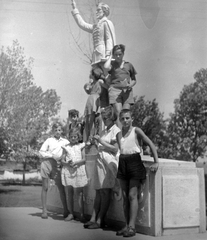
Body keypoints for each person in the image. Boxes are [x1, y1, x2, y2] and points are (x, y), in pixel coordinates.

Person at [116, 109, 159, 237]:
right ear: (120, 120)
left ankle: (132, 227)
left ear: (132, 119)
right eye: (122, 118)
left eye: (127, 118)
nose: (125, 121)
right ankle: (126, 225)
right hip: (123, 162)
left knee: (132, 195)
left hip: (135, 162)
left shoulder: (136, 130)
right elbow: (121, 150)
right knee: (124, 197)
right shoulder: (118, 134)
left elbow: (150, 143)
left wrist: (156, 161)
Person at [83, 106, 120, 229]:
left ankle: (100, 220)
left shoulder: (116, 130)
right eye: (103, 118)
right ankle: (93, 218)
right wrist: (95, 142)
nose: (104, 120)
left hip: (108, 163)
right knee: (98, 191)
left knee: (105, 191)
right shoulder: (104, 131)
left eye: (106, 118)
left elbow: (115, 148)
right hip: (100, 161)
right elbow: (102, 145)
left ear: (112, 118)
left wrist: (101, 142)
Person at [71, 0, 116, 66]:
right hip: (96, 53)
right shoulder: (95, 26)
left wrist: (108, 55)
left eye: (98, 10)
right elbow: (82, 24)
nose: (96, 12)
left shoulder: (107, 23)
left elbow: (109, 39)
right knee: (96, 73)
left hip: (103, 53)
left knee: (103, 72)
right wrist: (75, 9)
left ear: (104, 11)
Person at [39, 122, 69, 219]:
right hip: (47, 163)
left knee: (61, 187)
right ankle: (44, 210)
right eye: (55, 130)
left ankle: (66, 210)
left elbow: (69, 151)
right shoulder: (49, 140)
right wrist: (51, 155)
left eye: (59, 130)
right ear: (53, 131)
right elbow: (41, 152)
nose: (57, 132)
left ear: (62, 131)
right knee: (45, 187)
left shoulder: (65, 141)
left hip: (57, 165)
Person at [104, 44, 137, 128]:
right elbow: (106, 67)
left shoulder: (128, 65)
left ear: (123, 54)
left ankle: (128, 136)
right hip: (115, 90)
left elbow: (134, 79)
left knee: (126, 114)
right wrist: (110, 56)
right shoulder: (112, 64)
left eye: (120, 54)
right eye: (116, 54)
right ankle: (120, 136)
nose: (118, 56)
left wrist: (130, 85)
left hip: (127, 91)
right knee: (118, 112)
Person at [61, 127, 88, 222]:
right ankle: (71, 213)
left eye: (75, 137)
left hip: (78, 170)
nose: (73, 138)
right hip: (68, 171)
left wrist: (76, 162)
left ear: (78, 137)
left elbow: (84, 159)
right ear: (69, 137)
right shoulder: (66, 147)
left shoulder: (81, 146)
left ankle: (81, 214)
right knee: (69, 193)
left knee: (79, 193)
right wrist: (67, 163)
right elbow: (62, 160)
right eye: (71, 137)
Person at [84, 66, 109, 143]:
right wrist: (86, 87)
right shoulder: (92, 83)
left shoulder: (99, 82)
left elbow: (107, 88)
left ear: (94, 75)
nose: (89, 76)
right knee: (89, 120)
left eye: (91, 74)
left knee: (96, 120)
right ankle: (89, 137)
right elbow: (89, 92)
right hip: (90, 100)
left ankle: (94, 137)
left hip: (96, 100)